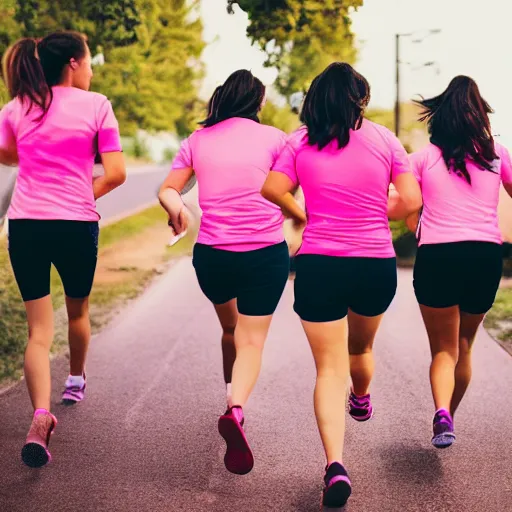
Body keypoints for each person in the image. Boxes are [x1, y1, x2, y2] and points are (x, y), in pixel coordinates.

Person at [261, 62, 421, 508]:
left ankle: (334, 465)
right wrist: (374, 207)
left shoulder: (300, 140)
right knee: (360, 352)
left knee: (328, 370)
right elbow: (411, 200)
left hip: (318, 265)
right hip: (373, 264)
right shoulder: (386, 139)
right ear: (360, 99)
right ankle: (363, 397)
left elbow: (272, 188)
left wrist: (303, 214)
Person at [0, 31, 126, 468]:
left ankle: (40, 414)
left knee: (38, 330)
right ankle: (75, 379)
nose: (91, 70)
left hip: (27, 225)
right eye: (89, 61)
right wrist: (82, 193)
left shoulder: (15, 107)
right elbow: (117, 173)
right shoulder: (97, 106)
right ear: (73, 62)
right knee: (77, 311)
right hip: (75, 224)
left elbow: (8, 154)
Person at [158, 70, 292, 475]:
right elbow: (289, 190)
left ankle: (228, 395)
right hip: (265, 254)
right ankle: (236, 408)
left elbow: (168, 189)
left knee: (230, 329)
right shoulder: (275, 139)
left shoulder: (196, 141)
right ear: (258, 103)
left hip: (213, 255)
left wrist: (178, 210)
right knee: (250, 341)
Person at [405, 76, 512, 449]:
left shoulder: (419, 159)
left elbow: (405, 205)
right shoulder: (497, 153)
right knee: (465, 345)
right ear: (479, 114)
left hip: (438, 255)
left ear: (440, 117)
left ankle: (442, 411)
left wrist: (417, 227)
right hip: (484, 256)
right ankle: (447, 414)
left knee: (443, 350)